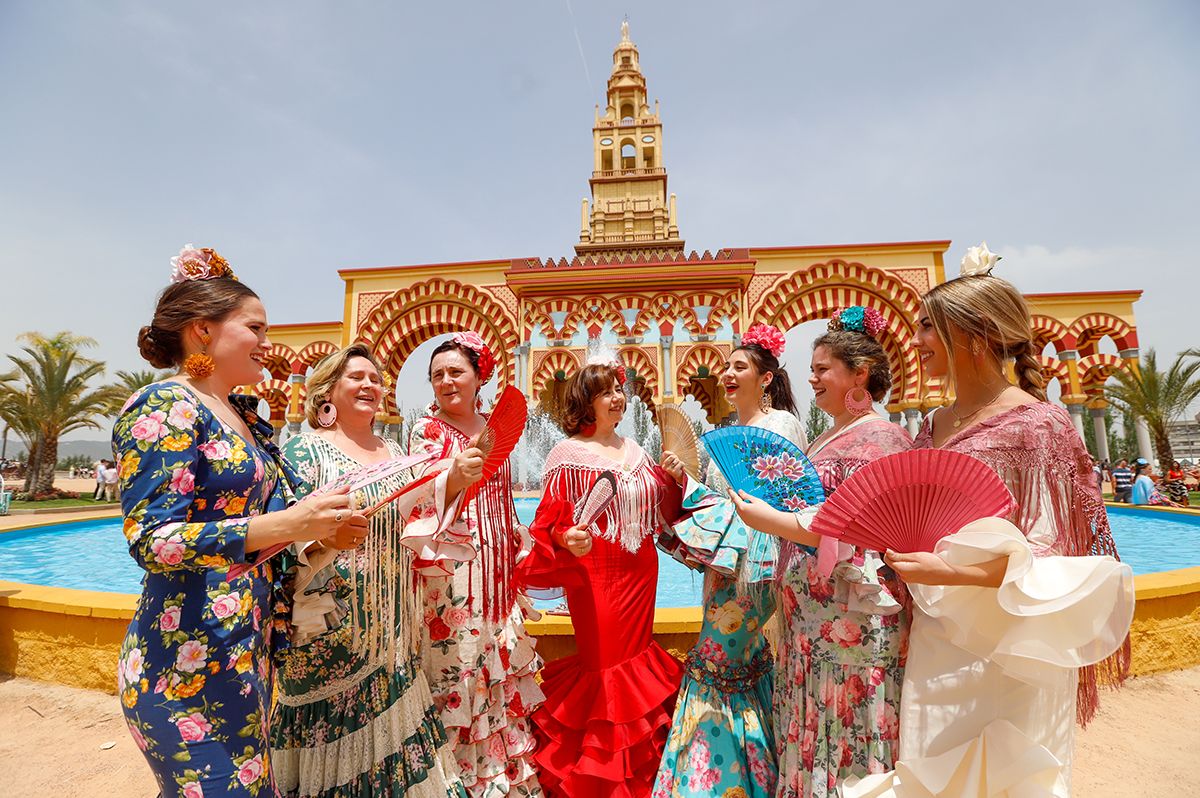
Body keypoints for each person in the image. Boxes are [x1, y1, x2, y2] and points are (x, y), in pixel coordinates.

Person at [845, 245, 1134, 798]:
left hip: (1010, 644)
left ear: (973, 337)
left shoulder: (1039, 425)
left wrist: (951, 573)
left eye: (929, 327)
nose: (917, 341)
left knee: (1007, 776)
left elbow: (1056, 557)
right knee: (931, 773)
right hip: (938, 639)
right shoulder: (932, 425)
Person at [115, 244, 365, 797]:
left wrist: (317, 533)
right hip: (182, 666)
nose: (268, 344)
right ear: (203, 330)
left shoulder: (246, 419)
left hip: (243, 658)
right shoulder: (165, 408)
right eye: (256, 327)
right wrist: (293, 525)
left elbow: (265, 525)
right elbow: (154, 540)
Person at [272, 343, 476, 798]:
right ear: (327, 389)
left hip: (390, 619)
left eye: (376, 379)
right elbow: (282, 529)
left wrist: (455, 480)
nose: (369, 385)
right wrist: (325, 539)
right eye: (356, 377)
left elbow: (419, 514)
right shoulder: (306, 450)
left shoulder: (393, 449)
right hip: (328, 621)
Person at [727, 309, 913, 797]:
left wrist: (768, 520)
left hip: (851, 627)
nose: (812, 380)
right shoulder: (826, 436)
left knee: (846, 733)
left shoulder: (883, 438)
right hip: (811, 625)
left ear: (860, 374)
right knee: (812, 724)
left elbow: (855, 533)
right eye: (812, 369)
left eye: (823, 369)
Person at [654, 322, 806, 798]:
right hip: (725, 570)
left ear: (765, 378)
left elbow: (784, 502)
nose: (726, 373)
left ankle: (705, 781)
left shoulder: (781, 426)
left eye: (739, 366)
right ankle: (750, 775)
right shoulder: (727, 432)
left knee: (715, 661)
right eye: (725, 365)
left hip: (755, 569)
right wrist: (681, 483)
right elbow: (719, 507)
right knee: (737, 664)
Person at [518, 360, 684, 798]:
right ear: (585, 402)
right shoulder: (566, 454)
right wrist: (565, 535)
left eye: (618, 390)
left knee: (637, 656)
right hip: (593, 573)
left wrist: (675, 479)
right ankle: (601, 778)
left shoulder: (637, 450)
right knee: (606, 666)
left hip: (640, 569)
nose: (618, 398)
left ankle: (635, 774)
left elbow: (666, 511)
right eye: (606, 392)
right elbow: (547, 522)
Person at [407, 332, 544, 797]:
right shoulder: (428, 430)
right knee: (458, 667)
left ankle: (503, 779)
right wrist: (450, 477)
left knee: (499, 662)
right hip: (455, 571)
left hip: (499, 568)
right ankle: (459, 780)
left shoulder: (493, 427)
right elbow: (416, 497)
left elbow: (504, 498)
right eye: (437, 375)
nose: (446, 381)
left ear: (478, 375)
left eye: (456, 371)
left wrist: (519, 545)